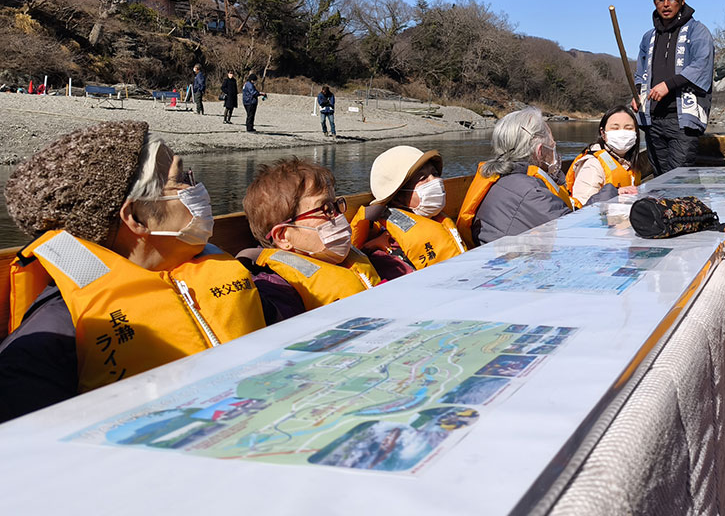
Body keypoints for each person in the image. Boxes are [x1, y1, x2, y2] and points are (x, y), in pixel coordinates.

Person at [0, 121, 267, 423]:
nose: (197, 190)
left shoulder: (218, 270)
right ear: (136, 218)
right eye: (182, 180)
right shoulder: (54, 334)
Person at [238, 158, 404, 312]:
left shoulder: (343, 258)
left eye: (335, 206)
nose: (338, 216)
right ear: (283, 236)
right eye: (325, 209)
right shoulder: (277, 290)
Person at [457, 107, 577, 246]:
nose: (555, 153)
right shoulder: (533, 193)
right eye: (552, 146)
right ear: (539, 152)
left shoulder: (498, 178)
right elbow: (576, 236)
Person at [632, 0, 714, 175]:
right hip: (653, 119)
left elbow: (701, 65)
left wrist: (668, 85)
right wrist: (638, 93)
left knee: (679, 179)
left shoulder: (697, 31)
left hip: (682, 120)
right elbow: (641, 72)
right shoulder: (648, 37)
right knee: (659, 177)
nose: (666, 4)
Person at [350, 146, 467, 269]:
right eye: (423, 179)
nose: (435, 181)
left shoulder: (436, 220)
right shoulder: (388, 254)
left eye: (435, 174)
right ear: (397, 198)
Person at [565, 105, 643, 205]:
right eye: (615, 128)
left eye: (628, 128)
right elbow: (584, 206)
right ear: (603, 133)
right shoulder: (593, 165)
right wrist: (615, 193)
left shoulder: (629, 161)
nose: (622, 133)